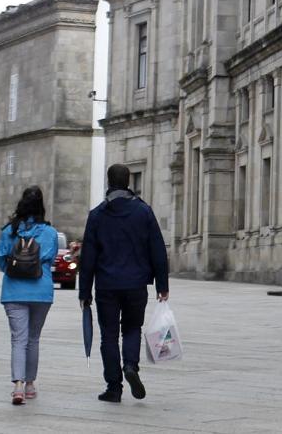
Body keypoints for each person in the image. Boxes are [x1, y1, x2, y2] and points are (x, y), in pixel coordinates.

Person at [78, 164, 169, 403]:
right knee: (131, 328)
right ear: (129, 182)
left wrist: (84, 291)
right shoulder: (144, 212)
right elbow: (157, 249)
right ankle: (130, 365)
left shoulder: (97, 215)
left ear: (109, 181)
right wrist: (162, 285)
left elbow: (88, 256)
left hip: (107, 284)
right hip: (136, 284)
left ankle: (113, 387)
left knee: (108, 336)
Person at [0, 186, 58, 406]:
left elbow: (1, 259)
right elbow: (50, 259)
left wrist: (15, 272)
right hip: (41, 291)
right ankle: (30, 384)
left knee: (18, 339)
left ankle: (18, 386)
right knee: (33, 339)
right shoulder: (50, 233)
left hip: (13, 291)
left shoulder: (9, 231)